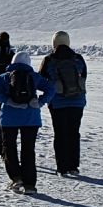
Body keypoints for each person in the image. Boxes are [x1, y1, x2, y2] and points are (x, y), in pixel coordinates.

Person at [0, 50, 55, 193]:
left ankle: (16, 178)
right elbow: (51, 89)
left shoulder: (5, 77)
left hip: (9, 118)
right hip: (31, 118)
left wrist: (8, 101)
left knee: (9, 148)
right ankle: (30, 184)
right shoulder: (34, 77)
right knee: (28, 150)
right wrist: (40, 102)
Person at [39, 30, 88, 176]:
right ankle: (73, 166)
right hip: (77, 102)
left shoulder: (49, 59)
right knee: (74, 132)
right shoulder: (78, 58)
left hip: (57, 102)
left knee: (60, 133)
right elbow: (84, 76)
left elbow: (41, 80)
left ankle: (62, 167)